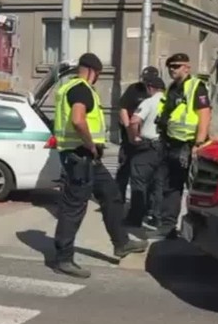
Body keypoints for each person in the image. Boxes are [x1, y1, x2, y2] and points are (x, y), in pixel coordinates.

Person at [52, 53, 148, 278]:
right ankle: (63, 259)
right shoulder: (81, 88)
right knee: (73, 208)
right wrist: (91, 145)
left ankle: (121, 243)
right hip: (81, 156)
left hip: (86, 158)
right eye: (99, 74)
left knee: (112, 195)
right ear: (93, 71)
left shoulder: (68, 87)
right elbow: (77, 119)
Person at [153, 53, 212, 240]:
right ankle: (168, 226)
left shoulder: (196, 86)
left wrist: (199, 143)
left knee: (195, 188)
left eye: (177, 66)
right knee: (171, 186)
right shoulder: (172, 87)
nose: (172, 69)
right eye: (171, 66)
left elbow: (204, 115)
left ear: (187, 67)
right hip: (170, 143)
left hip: (188, 145)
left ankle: (202, 228)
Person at [125, 76, 167, 228]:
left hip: (148, 147)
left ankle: (135, 217)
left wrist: (134, 137)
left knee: (139, 182)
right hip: (165, 148)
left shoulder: (149, 102)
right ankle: (157, 217)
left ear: (150, 88)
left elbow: (134, 121)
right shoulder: (169, 102)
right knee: (159, 184)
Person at [116, 66, 161, 203]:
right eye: (144, 80)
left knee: (148, 176)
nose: (146, 84)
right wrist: (128, 127)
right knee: (124, 169)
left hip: (147, 140)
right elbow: (123, 108)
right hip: (130, 136)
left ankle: (147, 206)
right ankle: (118, 199)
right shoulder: (134, 89)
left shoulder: (158, 93)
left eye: (149, 82)